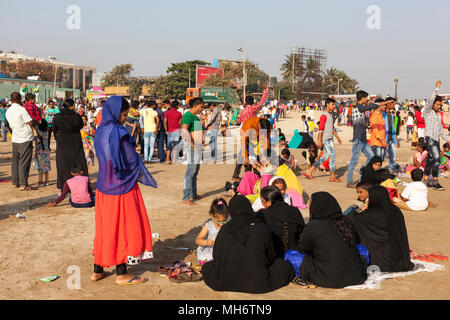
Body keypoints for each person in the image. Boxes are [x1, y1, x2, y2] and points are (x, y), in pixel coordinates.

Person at [91, 96, 157, 285]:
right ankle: (122, 274)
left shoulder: (100, 130)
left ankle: (98, 270)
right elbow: (131, 159)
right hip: (122, 187)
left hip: (104, 187)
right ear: (115, 111)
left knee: (104, 228)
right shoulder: (119, 132)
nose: (124, 117)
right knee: (123, 229)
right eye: (123, 113)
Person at [201, 195, 295, 293]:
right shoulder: (261, 228)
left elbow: (217, 256)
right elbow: (270, 256)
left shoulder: (225, 230)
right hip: (257, 283)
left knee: (207, 267)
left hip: (225, 281)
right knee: (284, 266)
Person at [295, 192, 367, 288]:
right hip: (356, 276)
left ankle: (304, 278)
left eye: (310, 204)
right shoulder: (347, 222)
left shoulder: (313, 226)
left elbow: (303, 249)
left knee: (291, 255)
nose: (309, 206)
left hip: (327, 278)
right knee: (361, 249)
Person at [348, 186, 415, 272]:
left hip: (381, 261)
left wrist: (362, 208)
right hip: (399, 258)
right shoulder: (395, 210)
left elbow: (349, 220)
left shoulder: (370, 215)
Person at [346, 91, 391, 188]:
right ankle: (349, 181)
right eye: (366, 98)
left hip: (363, 138)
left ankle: (362, 172)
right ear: (362, 98)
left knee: (371, 157)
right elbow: (370, 107)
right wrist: (383, 103)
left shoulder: (361, 108)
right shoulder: (358, 107)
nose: (367, 100)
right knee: (354, 160)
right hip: (358, 139)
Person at [256, 185, 305, 258]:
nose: (262, 204)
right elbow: (302, 233)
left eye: (262, 201)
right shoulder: (294, 211)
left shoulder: (262, 215)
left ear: (269, 202)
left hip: (273, 257)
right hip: (295, 256)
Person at [52, 98, 88, 191]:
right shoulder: (76, 116)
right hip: (75, 141)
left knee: (62, 164)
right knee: (77, 162)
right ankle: (80, 183)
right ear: (72, 106)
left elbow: (54, 129)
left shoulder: (57, 116)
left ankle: (62, 185)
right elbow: (80, 125)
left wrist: (58, 138)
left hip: (62, 142)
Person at [303, 98, 342, 182]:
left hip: (330, 138)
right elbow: (320, 129)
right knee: (332, 155)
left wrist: (338, 138)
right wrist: (319, 140)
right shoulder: (324, 115)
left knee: (324, 157)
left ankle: (309, 171)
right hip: (326, 139)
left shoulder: (330, 115)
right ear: (327, 104)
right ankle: (332, 176)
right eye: (332, 104)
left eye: (334, 104)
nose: (334, 106)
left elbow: (332, 128)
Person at [5, 92, 36, 191]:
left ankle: (16, 181)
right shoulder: (21, 109)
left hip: (15, 138)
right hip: (25, 137)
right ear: (20, 99)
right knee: (24, 161)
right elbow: (30, 122)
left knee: (16, 161)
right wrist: (37, 122)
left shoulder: (8, 111)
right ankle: (23, 184)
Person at [423, 81, 449, 190]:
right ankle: (435, 181)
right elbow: (430, 100)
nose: (439, 106)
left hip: (436, 139)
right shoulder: (427, 112)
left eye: (440, 105)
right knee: (437, 159)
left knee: (430, 159)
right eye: (437, 104)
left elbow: (441, 130)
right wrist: (437, 88)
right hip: (429, 139)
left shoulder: (439, 115)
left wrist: (447, 139)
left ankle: (425, 180)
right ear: (433, 104)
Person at [181, 98, 205, 206]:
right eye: (201, 106)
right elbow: (184, 129)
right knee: (190, 172)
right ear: (196, 105)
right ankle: (186, 197)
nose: (202, 108)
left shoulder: (196, 117)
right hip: (193, 147)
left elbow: (200, 130)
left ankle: (193, 193)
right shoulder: (188, 116)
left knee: (195, 171)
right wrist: (192, 144)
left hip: (198, 146)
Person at [195, 198, 230, 264]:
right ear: (211, 215)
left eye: (224, 221)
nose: (221, 224)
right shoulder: (208, 226)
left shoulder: (228, 225)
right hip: (210, 251)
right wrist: (207, 242)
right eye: (218, 221)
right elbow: (198, 240)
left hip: (223, 250)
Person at [140, 100, 159, 164]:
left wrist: (129, 109)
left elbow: (135, 114)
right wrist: (156, 128)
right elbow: (158, 120)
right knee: (152, 145)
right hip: (153, 130)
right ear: (152, 106)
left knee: (146, 146)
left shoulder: (143, 111)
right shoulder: (154, 112)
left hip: (146, 130)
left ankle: (145, 159)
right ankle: (149, 159)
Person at [383, 97, 400, 170]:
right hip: (384, 139)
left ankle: (390, 171)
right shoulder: (382, 114)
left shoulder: (391, 115)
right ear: (388, 104)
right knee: (382, 157)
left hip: (391, 140)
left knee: (392, 157)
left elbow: (393, 128)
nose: (394, 105)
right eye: (392, 103)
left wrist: (396, 140)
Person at [33, 119, 51, 187]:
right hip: (46, 149)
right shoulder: (47, 130)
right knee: (46, 165)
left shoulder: (38, 129)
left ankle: (40, 181)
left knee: (40, 166)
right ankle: (47, 181)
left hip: (39, 149)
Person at [164, 100, 182, 164]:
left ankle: (167, 159)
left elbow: (165, 122)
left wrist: (166, 130)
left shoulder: (167, 113)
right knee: (175, 146)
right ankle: (174, 160)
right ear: (176, 106)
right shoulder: (179, 113)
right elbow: (180, 123)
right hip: (177, 131)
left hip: (170, 131)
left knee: (168, 146)